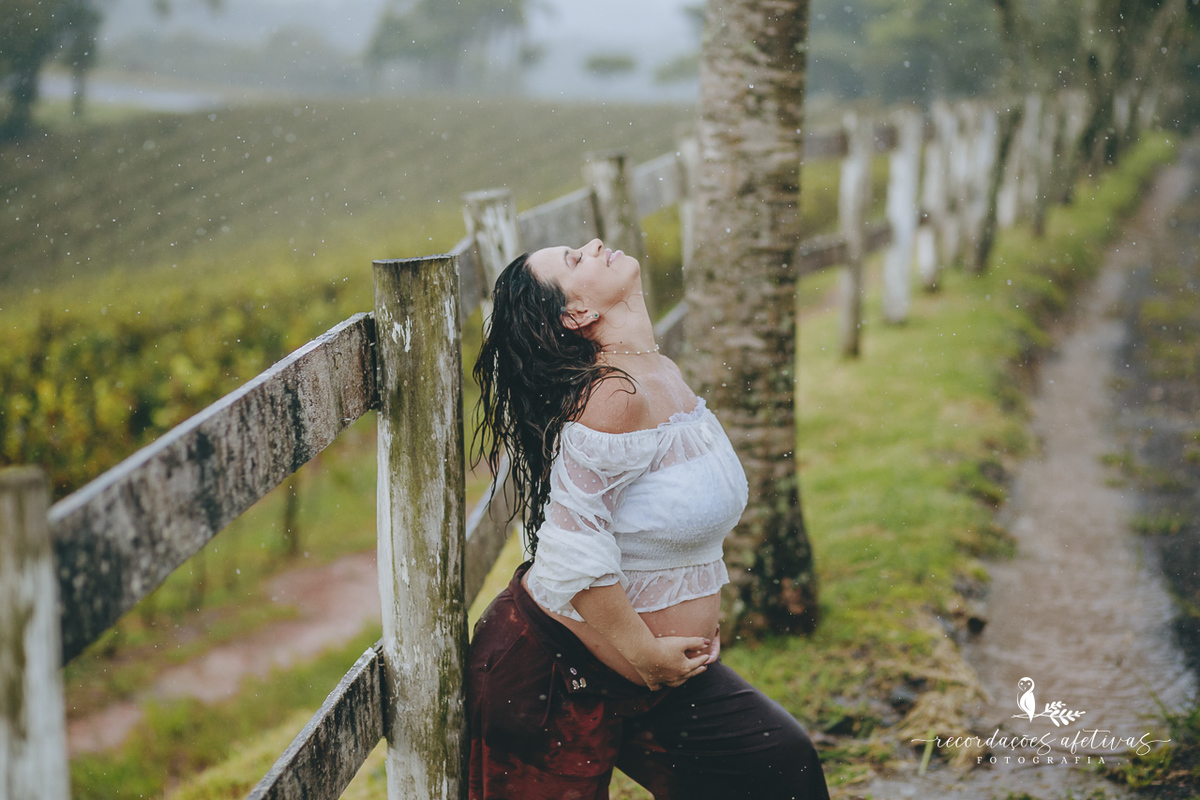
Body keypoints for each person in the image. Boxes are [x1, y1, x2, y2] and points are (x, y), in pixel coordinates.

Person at [468, 238, 830, 800]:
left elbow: (673, 522)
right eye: (573, 260)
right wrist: (642, 651)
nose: (592, 245)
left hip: (654, 673)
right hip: (558, 673)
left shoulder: (660, 371)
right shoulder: (613, 396)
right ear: (577, 313)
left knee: (777, 767)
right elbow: (570, 552)